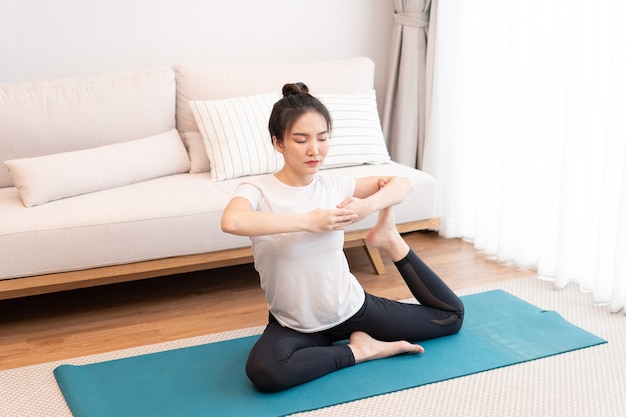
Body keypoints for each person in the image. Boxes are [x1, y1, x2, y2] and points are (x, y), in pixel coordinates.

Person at [220, 82, 464, 393]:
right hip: (294, 324)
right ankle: (361, 351)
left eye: (322, 138)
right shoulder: (257, 191)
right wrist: (308, 221)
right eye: (301, 139)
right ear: (278, 143)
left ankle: (389, 238)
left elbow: (401, 183)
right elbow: (232, 220)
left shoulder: (334, 185)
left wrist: (367, 206)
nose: (314, 150)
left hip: (352, 310)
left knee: (450, 317)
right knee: (265, 371)